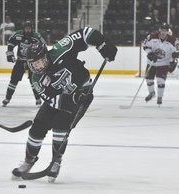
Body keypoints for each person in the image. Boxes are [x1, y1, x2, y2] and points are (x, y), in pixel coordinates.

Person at [11, 27, 117, 183]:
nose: (38, 67)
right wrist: (75, 97)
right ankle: (29, 160)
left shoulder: (60, 49)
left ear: (46, 55)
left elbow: (86, 32)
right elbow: (55, 100)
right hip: (61, 99)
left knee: (61, 125)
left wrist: (102, 44)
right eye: (34, 64)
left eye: (40, 61)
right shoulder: (35, 78)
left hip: (83, 91)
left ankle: (56, 160)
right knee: (37, 128)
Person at [2, 20, 46, 107]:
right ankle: (7, 98)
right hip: (20, 61)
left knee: (34, 81)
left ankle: (38, 99)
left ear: (32, 29)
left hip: (32, 62)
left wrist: (40, 58)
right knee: (13, 80)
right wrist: (10, 53)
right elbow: (11, 43)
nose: (28, 30)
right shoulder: (18, 34)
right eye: (26, 28)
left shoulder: (36, 36)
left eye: (29, 28)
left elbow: (43, 46)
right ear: (24, 29)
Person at [143, 23, 179, 105]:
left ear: (167, 31)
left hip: (163, 63)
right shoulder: (152, 37)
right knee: (148, 79)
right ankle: (151, 93)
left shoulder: (173, 40)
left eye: (165, 31)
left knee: (161, 81)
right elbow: (145, 46)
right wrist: (150, 53)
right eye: (162, 30)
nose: (163, 32)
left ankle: (159, 97)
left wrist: (174, 60)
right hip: (152, 62)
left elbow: (177, 52)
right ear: (159, 30)